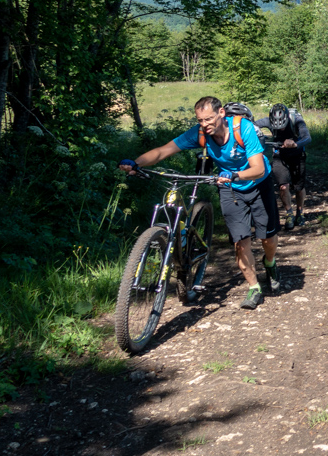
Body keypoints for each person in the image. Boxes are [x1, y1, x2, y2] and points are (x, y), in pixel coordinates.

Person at [120, 96, 281, 309]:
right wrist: (136, 163)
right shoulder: (200, 133)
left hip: (258, 184)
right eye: (200, 120)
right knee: (240, 242)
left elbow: (258, 169)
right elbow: (163, 150)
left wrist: (235, 175)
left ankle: (269, 262)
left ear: (221, 113)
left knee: (267, 239)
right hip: (229, 188)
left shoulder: (243, 128)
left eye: (209, 119)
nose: (205, 124)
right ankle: (254, 288)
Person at [267, 103, 311, 229]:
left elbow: (307, 137)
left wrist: (296, 144)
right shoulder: (267, 121)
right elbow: (251, 125)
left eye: (283, 126)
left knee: (299, 187)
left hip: (297, 155)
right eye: (277, 127)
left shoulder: (297, 120)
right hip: (279, 156)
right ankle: (289, 213)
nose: (281, 129)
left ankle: (300, 213)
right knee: (283, 186)